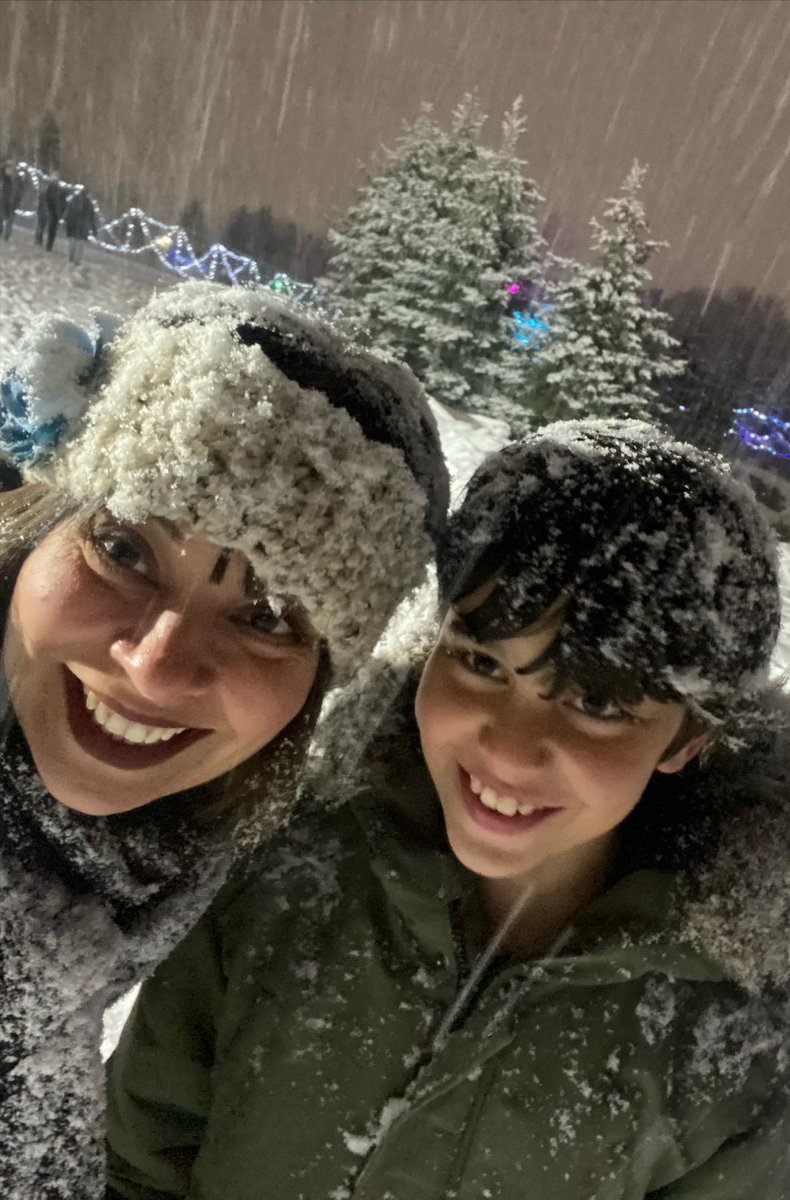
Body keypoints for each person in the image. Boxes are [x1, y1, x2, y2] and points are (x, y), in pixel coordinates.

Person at [106, 420, 790, 1199]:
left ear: (689, 736)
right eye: (479, 662)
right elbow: (132, 1164)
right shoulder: (287, 870)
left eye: (596, 701)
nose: (508, 749)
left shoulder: (731, 1038)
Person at [0, 279, 448, 1200]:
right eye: (122, 549)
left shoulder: (172, 858)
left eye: (268, 616)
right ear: (36, 521)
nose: (156, 667)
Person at [63, 183, 97, 264]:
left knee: (72, 240)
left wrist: (66, 221)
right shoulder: (89, 203)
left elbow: (68, 210)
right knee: (80, 242)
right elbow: (91, 217)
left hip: (72, 223)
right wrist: (93, 228)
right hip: (83, 225)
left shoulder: (73, 199)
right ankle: (77, 259)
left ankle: (71, 257)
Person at [34, 169, 65, 251]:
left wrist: (59, 212)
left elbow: (60, 202)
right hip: (48, 210)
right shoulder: (48, 188)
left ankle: (48, 245)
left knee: (50, 229)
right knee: (43, 226)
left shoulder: (59, 189)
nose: (56, 179)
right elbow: (44, 199)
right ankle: (41, 241)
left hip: (53, 211)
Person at [0, 159, 23, 241]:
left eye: (10, 169)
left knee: (10, 219)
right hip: (3, 201)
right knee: (1, 217)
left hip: (11, 203)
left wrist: (17, 202)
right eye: (8, 169)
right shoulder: (4, 178)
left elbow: (18, 192)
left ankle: (6, 235)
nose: (9, 171)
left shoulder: (15, 180)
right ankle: (2, 232)